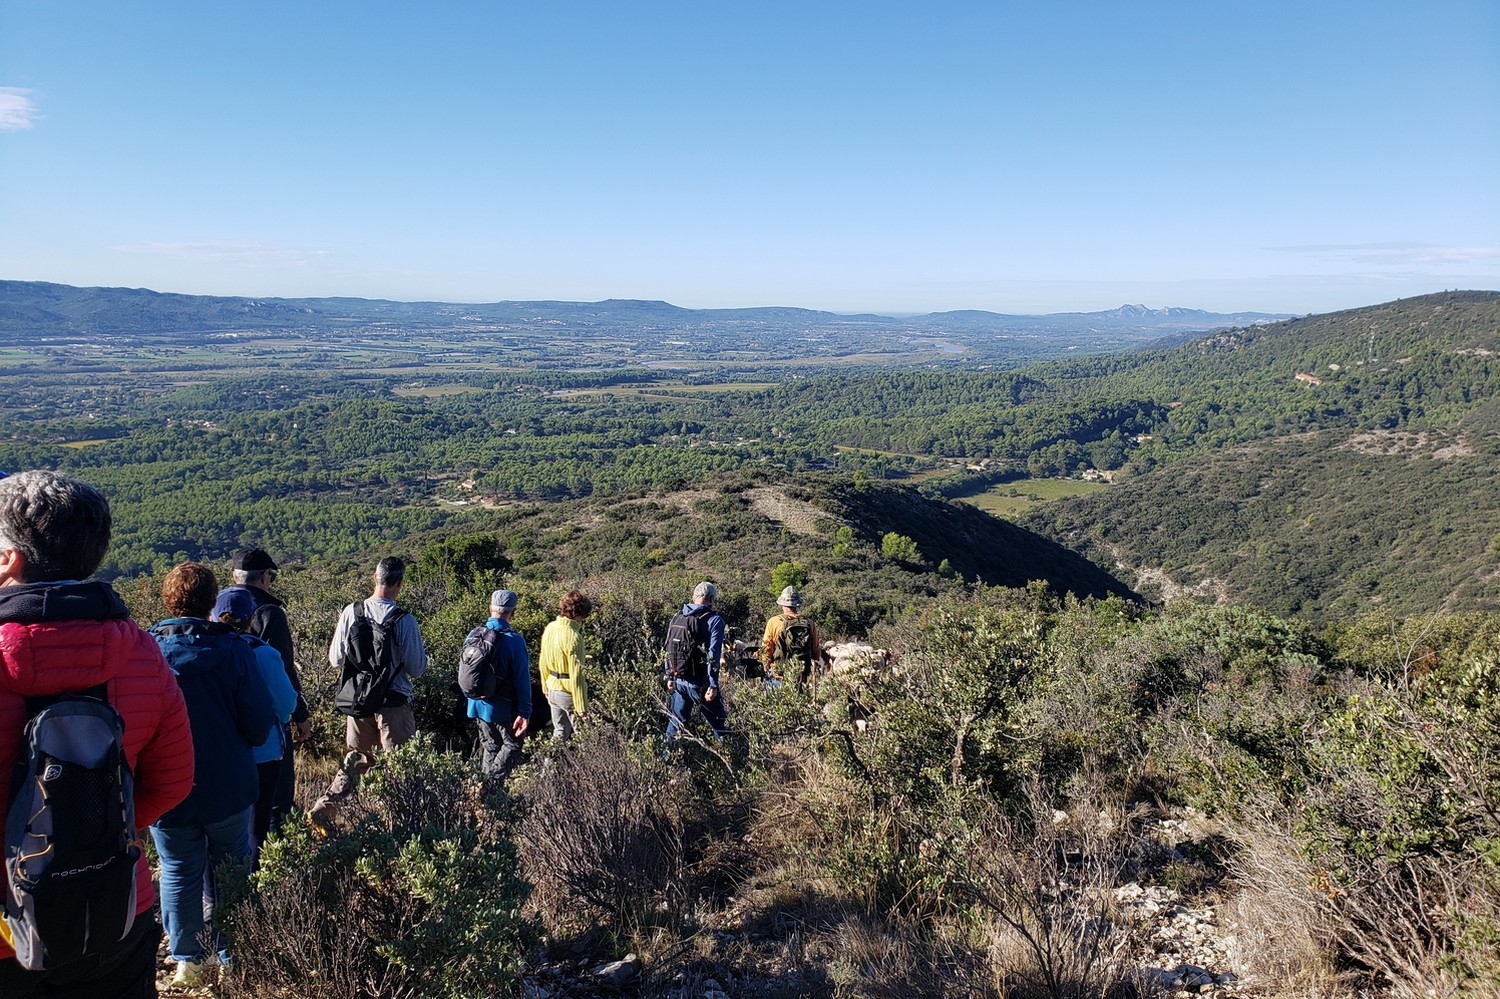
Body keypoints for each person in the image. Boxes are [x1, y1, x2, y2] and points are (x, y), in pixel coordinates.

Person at [0, 470, 195, 998]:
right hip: (111, 910)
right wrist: (105, 828)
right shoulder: (141, 653)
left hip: (7, 931)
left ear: (8, 559)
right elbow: (175, 779)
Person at [148, 563, 275, 987]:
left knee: (178, 869)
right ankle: (234, 951)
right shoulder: (236, 650)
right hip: (228, 784)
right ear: (210, 603)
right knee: (234, 866)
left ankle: (188, 959)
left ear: (168, 601)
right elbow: (258, 724)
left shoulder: (146, 652)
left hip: (167, 788)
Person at [308, 557, 427, 834]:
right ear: (399, 584)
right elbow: (417, 668)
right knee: (401, 766)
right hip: (394, 704)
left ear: (374, 578)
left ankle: (323, 809)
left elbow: (336, 658)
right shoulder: (404, 620)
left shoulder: (353, 611)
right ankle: (399, 828)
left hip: (358, 702)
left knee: (357, 760)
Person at [223, 548, 310, 834]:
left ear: (235, 577)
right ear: (263, 578)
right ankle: (273, 862)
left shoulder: (215, 608)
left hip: (222, 721)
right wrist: (300, 715)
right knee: (276, 799)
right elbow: (282, 668)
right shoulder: (269, 613)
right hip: (268, 722)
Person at [212, 587, 298, 854]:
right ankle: (260, 874)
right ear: (252, 619)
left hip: (220, 750)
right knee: (259, 823)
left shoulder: (208, 651)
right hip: (266, 750)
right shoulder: (265, 654)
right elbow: (287, 704)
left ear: (214, 616)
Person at [466, 589, 532, 779]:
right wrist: (525, 712)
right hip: (503, 707)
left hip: (477, 703)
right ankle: (490, 786)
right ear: (513, 613)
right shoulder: (515, 641)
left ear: (490, 609)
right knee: (513, 745)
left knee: (491, 747)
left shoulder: (474, 634)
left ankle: (486, 794)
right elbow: (522, 680)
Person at [664, 581, 729, 740]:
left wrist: (670, 675)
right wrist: (712, 684)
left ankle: (665, 759)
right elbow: (713, 654)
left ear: (694, 597)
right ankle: (736, 761)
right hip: (700, 685)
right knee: (720, 725)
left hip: (679, 680)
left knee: (676, 723)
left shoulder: (678, 616)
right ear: (712, 599)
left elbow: (668, 646)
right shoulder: (714, 620)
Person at [538, 589, 592, 741]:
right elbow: (577, 675)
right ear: (578, 614)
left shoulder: (550, 628)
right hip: (568, 693)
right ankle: (589, 765)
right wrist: (581, 707)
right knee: (585, 737)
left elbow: (544, 660)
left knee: (559, 732)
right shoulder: (574, 637)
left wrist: (545, 687)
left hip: (552, 688)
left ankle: (547, 764)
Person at [759, 585, 829, 692]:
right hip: (800, 676)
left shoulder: (774, 622)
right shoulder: (809, 623)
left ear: (782, 604)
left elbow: (766, 647)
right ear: (797, 605)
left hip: (778, 674)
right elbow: (816, 651)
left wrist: (765, 665)